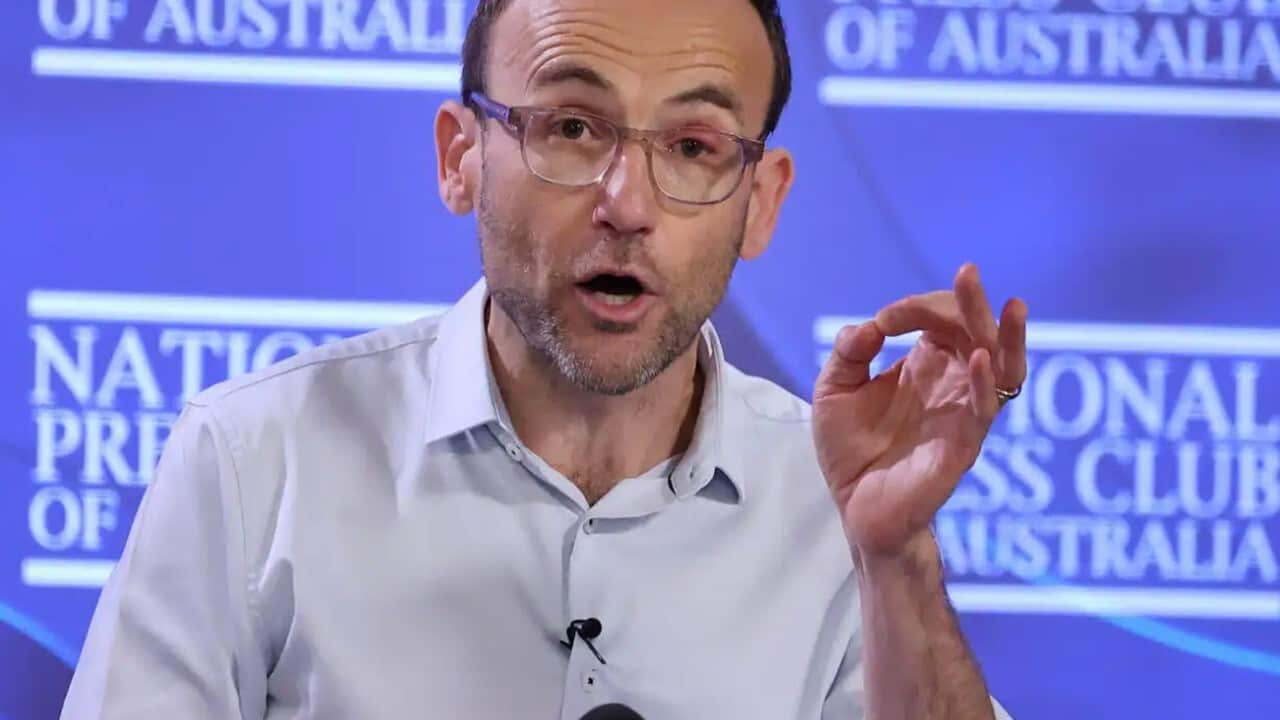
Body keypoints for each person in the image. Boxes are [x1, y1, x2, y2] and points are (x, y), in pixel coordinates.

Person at [61, 0, 1028, 718]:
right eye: (572, 126)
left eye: (693, 145)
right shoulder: (254, 459)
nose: (627, 202)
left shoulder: (838, 507)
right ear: (459, 159)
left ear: (762, 200)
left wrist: (894, 561)